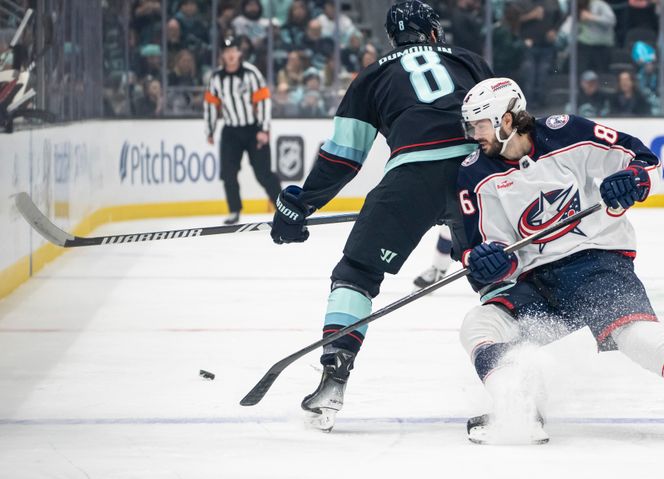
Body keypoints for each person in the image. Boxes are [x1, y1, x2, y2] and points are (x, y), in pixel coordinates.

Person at [455, 77, 664, 445]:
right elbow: (489, 249)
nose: (473, 134)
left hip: (596, 265)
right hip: (534, 284)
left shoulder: (568, 132)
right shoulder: (474, 173)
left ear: (506, 121)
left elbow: (646, 161)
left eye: (479, 125)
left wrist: (632, 180)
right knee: (479, 324)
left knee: (636, 336)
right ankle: (518, 408)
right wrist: (489, 262)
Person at [268, 0, 494, 432]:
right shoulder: (469, 60)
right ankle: (517, 379)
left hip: (409, 180)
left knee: (355, 273)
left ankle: (334, 378)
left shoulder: (371, 75)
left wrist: (301, 204)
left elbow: (343, 157)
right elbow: (511, 120)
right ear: (432, 33)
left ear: (392, 40)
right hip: (476, 174)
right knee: (499, 271)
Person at [203, 36, 282, 225]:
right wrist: (210, 130)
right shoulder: (216, 78)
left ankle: (283, 206)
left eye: (234, 51)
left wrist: (264, 128)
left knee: (263, 173)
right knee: (228, 172)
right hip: (230, 131)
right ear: (222, 55)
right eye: (226, 52)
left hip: (253, 129)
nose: (230, 55)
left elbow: (263, 101)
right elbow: (211, 105)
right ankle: (234, 210)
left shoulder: (251, 74)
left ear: (239, 53)